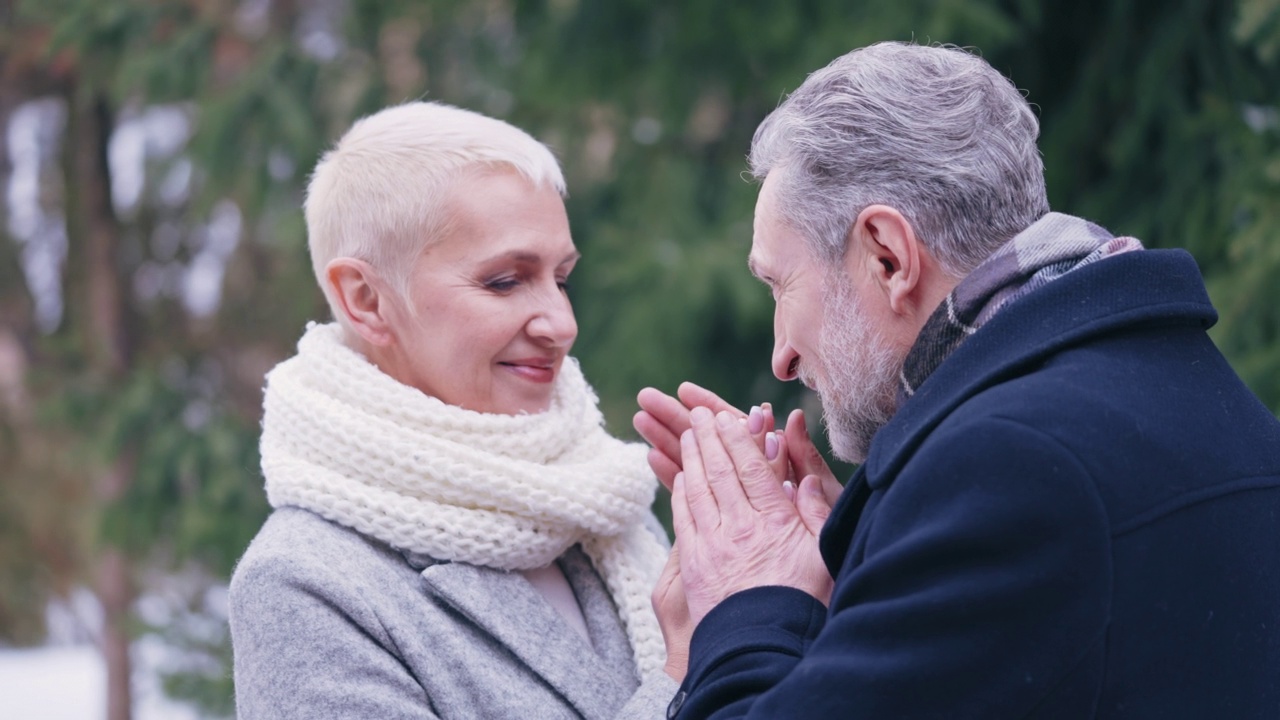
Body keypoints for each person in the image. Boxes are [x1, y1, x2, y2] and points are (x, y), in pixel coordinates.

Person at [635, 41, 1280, 718]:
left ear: (888, 257)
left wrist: (749, 606)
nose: (782, 357)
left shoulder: (1009, 467)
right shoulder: (1188, 392)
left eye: (779, 283)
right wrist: (871, 555)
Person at [228, 101, 679, 719]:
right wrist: (691, 665)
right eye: (505, 281)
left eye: (562, 278)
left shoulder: (601, 499)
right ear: (365, 299)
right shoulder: (305, 583)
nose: (562, 324)